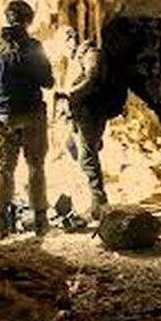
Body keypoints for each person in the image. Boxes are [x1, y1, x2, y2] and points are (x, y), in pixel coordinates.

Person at [0, 0, 54, 239]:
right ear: (28, 20)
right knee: (35, 166)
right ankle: (40, 222)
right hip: (31, 112)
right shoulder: (32, 46)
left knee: (5, 169)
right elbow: (48, 81)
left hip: (2, 115)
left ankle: (0, 225)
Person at [56, 27, 121, 220]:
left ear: (71, 40)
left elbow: (92, 80)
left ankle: (100, 203)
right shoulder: (79, 58)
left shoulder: (93, 54)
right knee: (71, 146)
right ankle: (90, 184)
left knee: (87, 156)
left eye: (65, 43)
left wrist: (70, 93)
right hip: (81, 114)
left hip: (92, 113)